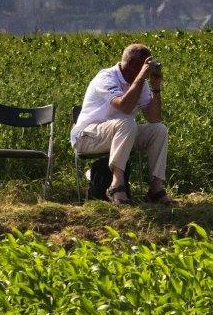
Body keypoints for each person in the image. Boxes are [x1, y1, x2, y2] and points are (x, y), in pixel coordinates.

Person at [71, 42, 170, 204]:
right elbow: (124, 107)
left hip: (122, 133)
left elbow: (154, 118)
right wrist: (140, 79)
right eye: (144, 65)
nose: (147, 70)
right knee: (127, 121)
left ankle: (156, 189)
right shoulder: (106, 77)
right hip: (88, 137)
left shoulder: (141, 83)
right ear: (131, 63)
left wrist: (156, 87)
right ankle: (116, 185)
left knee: (159, 129)